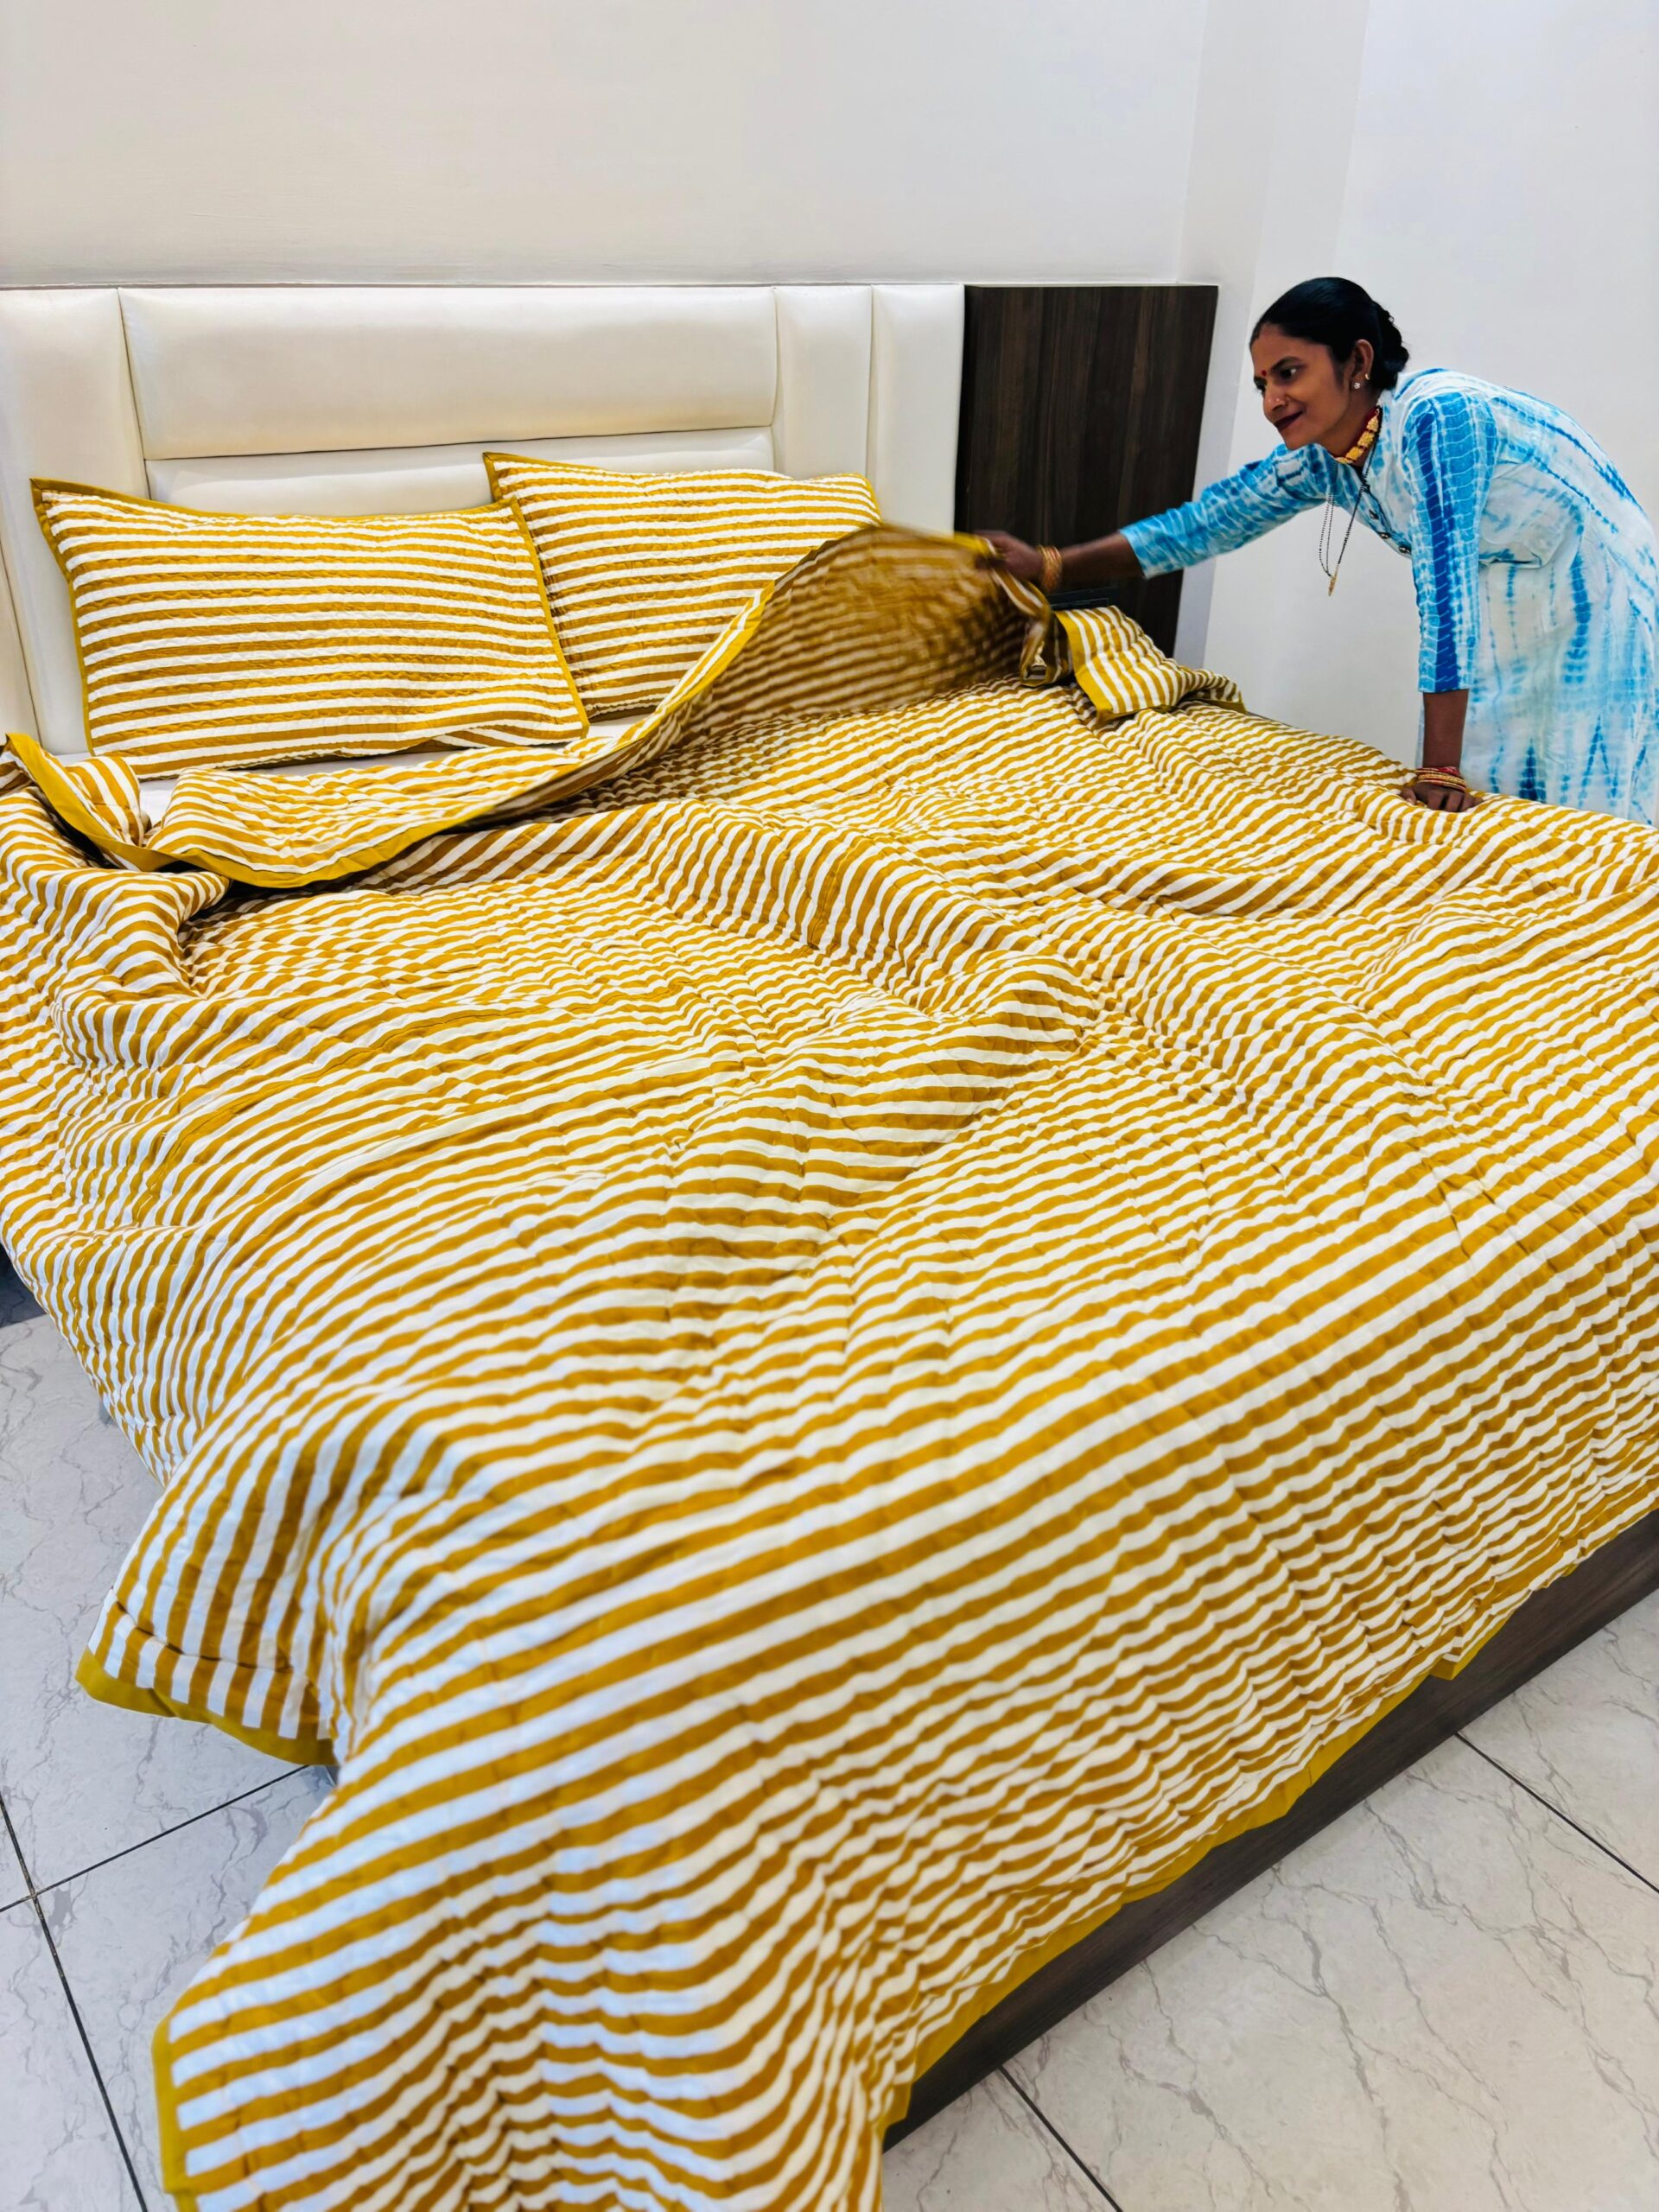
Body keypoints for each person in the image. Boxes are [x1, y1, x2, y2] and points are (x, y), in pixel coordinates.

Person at [982, 277, 1658, 818]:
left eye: (1288, 373)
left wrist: (1440, 766)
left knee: (1584, 786)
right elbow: (1205, 523)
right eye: (1262, 384)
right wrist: (1051, 566)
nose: (1272, 400)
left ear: (1357, 361)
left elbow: (1445, 591)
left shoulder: (1438, 416)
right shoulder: (1324, 459)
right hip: (1510, 588)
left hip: (1599, 582)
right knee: (1494, 799)